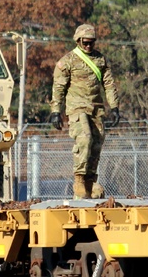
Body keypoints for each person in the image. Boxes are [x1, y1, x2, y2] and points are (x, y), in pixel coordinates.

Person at [49, 24, 121, 199]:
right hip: (77, 108)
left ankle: (89, 184)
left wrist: (114, 107)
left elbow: (109, 84)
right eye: (86, 42)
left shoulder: (100, 60)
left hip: (96, 109)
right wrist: (56, 110)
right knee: (85, 138)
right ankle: (79, 180)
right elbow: (58, 87)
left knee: (96, 146)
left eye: (91, 43)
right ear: (78, 41)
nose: (89, 46)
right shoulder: (68, 61)